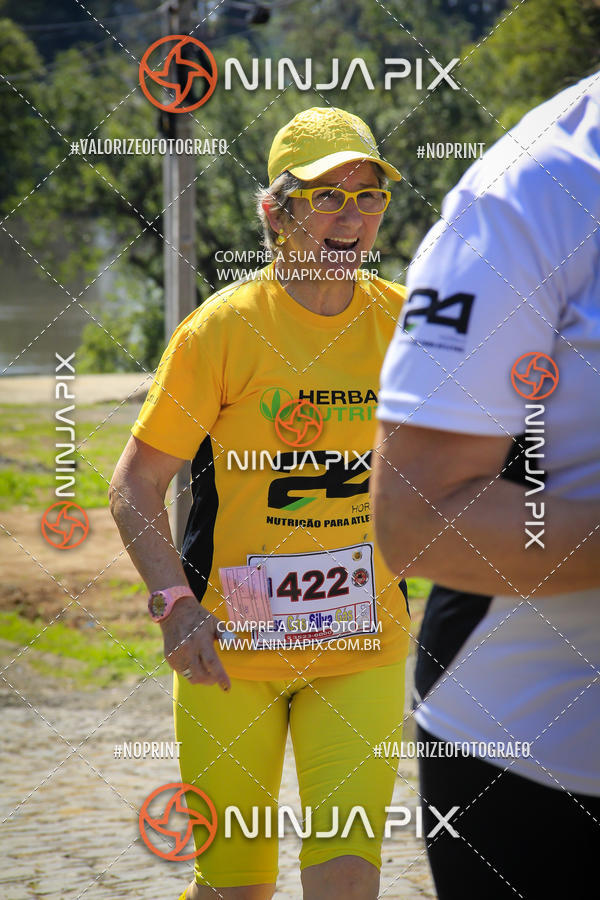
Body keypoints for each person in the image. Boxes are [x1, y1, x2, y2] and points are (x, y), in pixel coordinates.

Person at [109, 107, 411, 900]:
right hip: (229, 658)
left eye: (368, 196)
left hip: (363, 647)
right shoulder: (222, 330)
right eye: (326, 197)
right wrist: (174, 608)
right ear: (276, 213)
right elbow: (135, 485)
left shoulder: (406, 325)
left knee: (348, 882)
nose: (351, 216)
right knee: (236, 887)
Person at [372, 72, 600, 899]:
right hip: (540, 761)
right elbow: (416, 520)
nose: (348, 216)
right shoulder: (537, 186)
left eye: (364, 195)